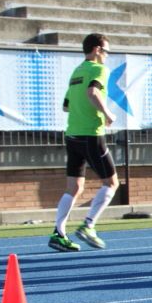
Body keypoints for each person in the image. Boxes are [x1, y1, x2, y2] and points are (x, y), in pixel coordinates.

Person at [50, 33, 118, 253]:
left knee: (74, 187)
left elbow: (66, 105)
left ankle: (59, 234)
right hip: (91, 134)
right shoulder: (99, 70)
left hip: (72, 134)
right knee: (111, 182)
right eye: (106, 51)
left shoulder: (77, 71)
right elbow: (92, 92)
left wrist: (82, 110)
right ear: (97, 49)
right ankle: (88, 225)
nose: (107, 56)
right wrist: (107, 113)